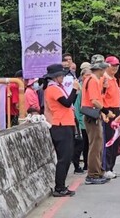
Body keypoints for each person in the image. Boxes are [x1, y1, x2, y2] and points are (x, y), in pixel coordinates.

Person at [42, 63, 79, 197]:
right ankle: (59, 187)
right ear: (56, 76)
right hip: (60, 125)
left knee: (66, 157)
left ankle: (61, 186)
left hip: (64, 124)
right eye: (62, 75)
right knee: (64, 158)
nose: (63, 77)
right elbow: (67, 102)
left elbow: (67, 104)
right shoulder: (53, 89)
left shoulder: (56, 87)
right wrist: (75, 89)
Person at [82, 58, 110, 185]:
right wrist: (105, 110)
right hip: (92, 115)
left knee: (97, 143)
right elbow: (94, 100)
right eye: (103, 68)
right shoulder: (93, 81)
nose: (105, 71)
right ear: (99, 69)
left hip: (92, 115)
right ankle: (93, 173)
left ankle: (97, 171)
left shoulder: (91, 80)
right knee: (95, 145)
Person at [100, 56, 120, 179]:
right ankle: (106, 167)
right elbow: (101, 97)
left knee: (115, 140)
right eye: (112, 65)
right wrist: (104, 113)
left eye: (116, 65)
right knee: (109, 140)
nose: (115, 67)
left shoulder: (114, 79)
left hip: (116, 111)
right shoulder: (104, 80)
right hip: (108, 111)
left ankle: (111, 167)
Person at [73, 66, 92, 173]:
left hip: (90, 121)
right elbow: (77, 108)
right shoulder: (80, 89)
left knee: (89, 144)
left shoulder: (91, 87)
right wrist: (79, 121)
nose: (88, 77)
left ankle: (87, 164)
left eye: (90, 75)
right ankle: (80, 165)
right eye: (86, 75)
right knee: (82, 145)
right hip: (82, 122)